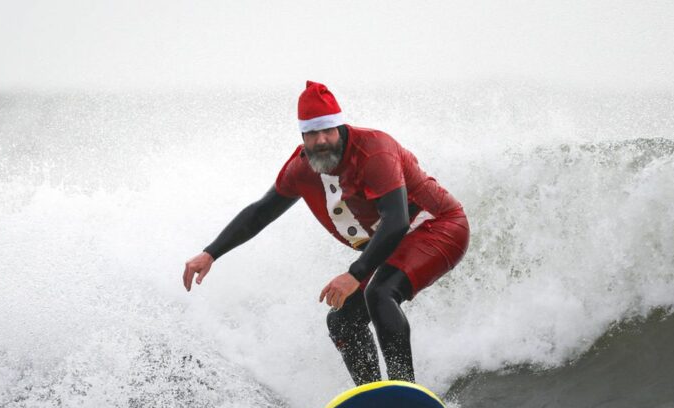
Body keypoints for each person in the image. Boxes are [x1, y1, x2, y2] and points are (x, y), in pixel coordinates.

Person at [183, 81, 469, 386]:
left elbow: (397, 220)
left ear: (341, 127)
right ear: (302, 136)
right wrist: (211, 252)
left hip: (439, 225)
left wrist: (355, 273)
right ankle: (375, 398)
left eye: (328, 131)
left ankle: (405, 390)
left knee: (380, 292)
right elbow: (261, 212)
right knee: (342, 320)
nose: (321, 141)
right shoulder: (301, 168)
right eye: (312, 133)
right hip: (397, 240)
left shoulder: (374, 151)